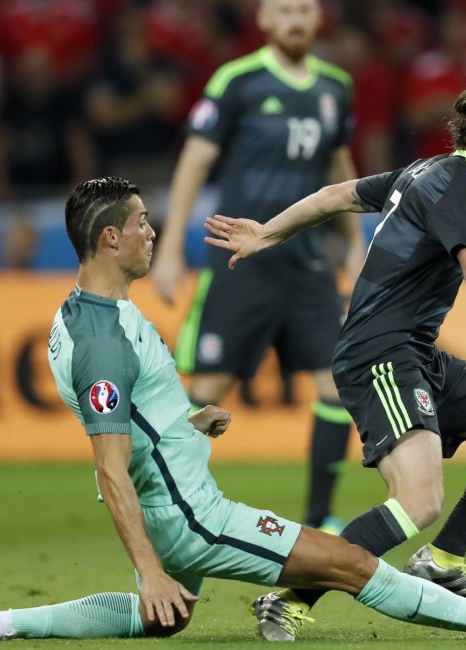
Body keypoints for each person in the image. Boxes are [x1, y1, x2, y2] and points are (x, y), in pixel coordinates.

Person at [0, 177, 466, 644]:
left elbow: (133, 428)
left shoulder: (88, 315)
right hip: (193, 518)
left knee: (157, 622)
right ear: (109, 239)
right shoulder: (103, 342)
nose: (151, 232)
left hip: (179, 499)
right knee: (352, 563)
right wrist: (150, 566)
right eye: (142, 223)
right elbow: (109, 466)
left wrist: (189, 421)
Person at [204, 68, 466, 641]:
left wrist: (267, 234)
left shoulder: (425, 169)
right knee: (418, 501)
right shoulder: (462, 181)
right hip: (381, 353)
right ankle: (290, 599)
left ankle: (445, 560)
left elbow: (334, 196)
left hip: (414, 352)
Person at [150, 0, 364, 534]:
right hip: (240, 263)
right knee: (209, 387)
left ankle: (320, 516)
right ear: (264, 21)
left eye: (304, 10)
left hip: (306, 262)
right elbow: (195, 159)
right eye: (283, 10)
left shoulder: (336, 86)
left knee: (336, 385)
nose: (295, 18)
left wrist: (355, 240)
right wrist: (172, 243)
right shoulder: (237, 81)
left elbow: (339, 167)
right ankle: (171, 505)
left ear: (319, 19)